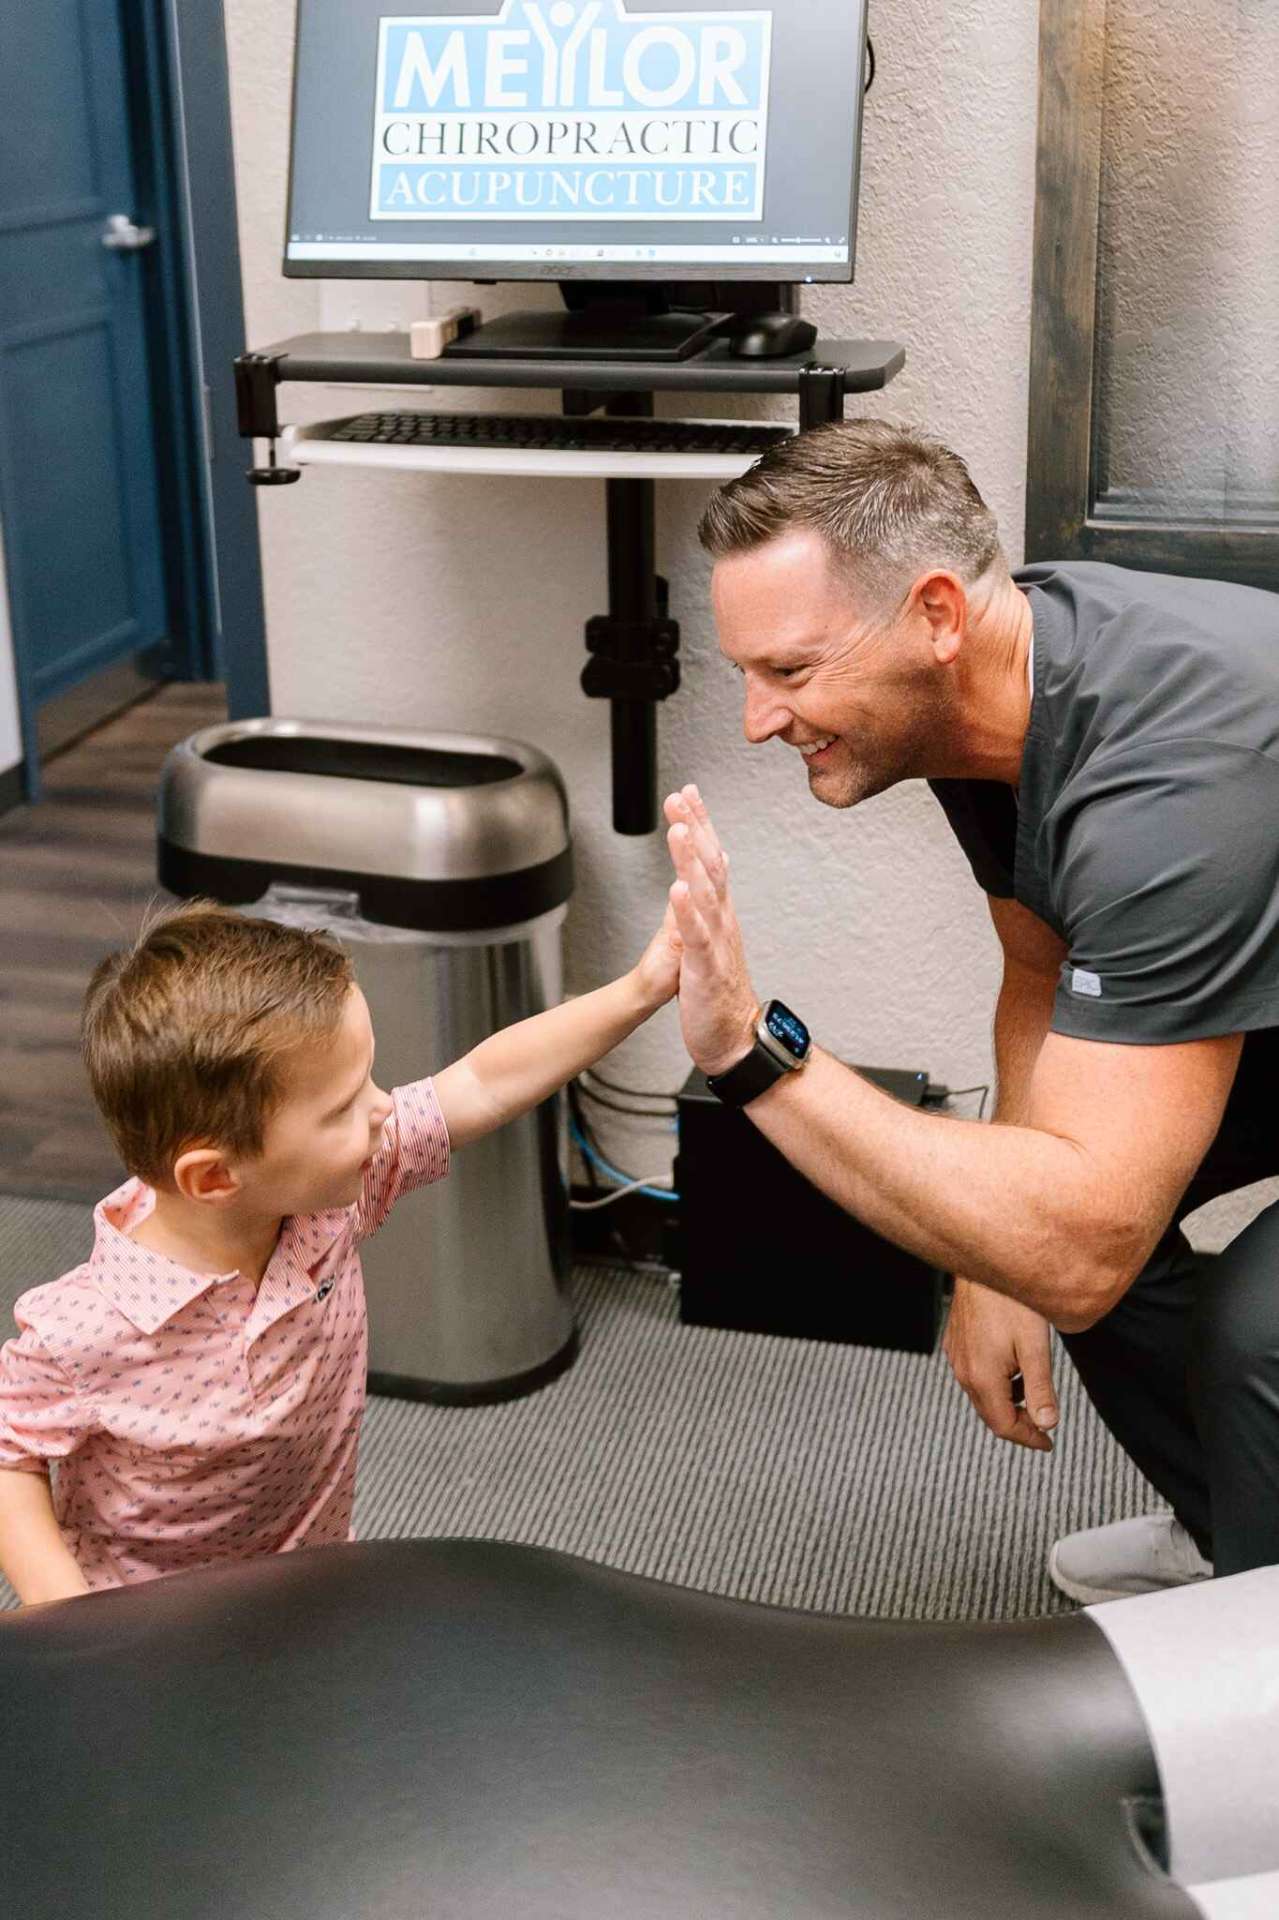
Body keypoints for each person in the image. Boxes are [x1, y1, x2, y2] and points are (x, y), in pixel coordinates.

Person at [661, 416, 1279, 1601]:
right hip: (1256, 981)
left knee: (1257, 1326)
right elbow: (1037, 970)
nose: (757, 720)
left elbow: (1084, 1240)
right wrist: (994, 1257)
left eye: (789, 671)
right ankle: (1240, 1537)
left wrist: (753, 1052)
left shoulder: (1173, 781)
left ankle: (1253, 1704)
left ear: (937, 615)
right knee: (1040, 1221)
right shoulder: (989, 698)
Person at [0, 898, 681, 1605]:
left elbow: (478, 1082)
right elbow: (7, 1452)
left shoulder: (321, 1204)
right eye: (342, 1107)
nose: (384, 1109)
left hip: (306, 1591)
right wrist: (71, 1618)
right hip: (145, 1631)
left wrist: (642, 989)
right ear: (214, 1177)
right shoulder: (81, 1330)